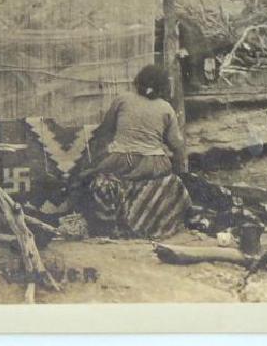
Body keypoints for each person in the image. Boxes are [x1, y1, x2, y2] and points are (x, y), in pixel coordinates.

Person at [81, 64, 192, 238]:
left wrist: (99, 155)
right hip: (155, 165)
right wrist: (180, 170)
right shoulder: (166, 108)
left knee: (86, 177)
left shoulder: (122, 99)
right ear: (163, 86)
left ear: (138, 81)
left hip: (122, 162)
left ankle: (107, 223)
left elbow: (105, 131)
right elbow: (177, 145)